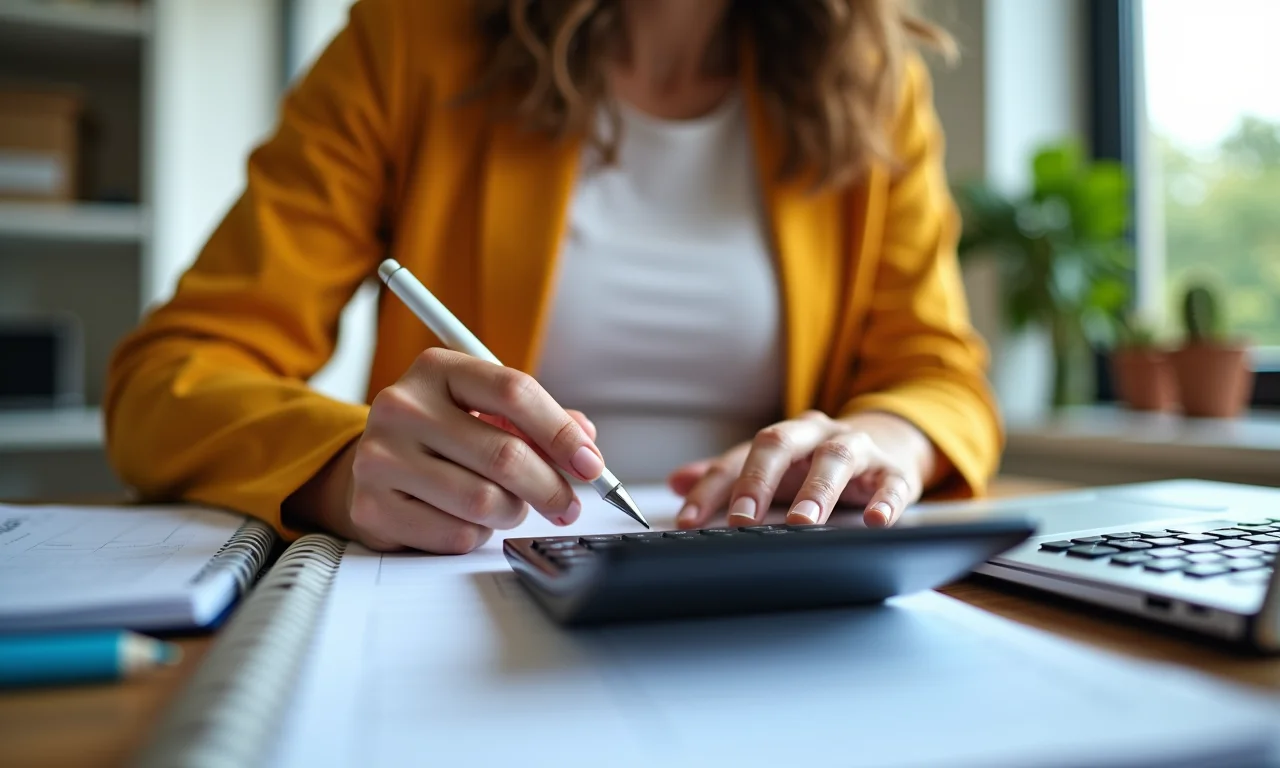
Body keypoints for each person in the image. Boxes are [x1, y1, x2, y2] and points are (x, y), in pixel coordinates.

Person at [104, 0, 1002, 555]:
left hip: (768, 589)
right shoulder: (411, 36)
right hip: (460, 585)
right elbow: (169, 380)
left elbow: (938, 379)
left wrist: (884, 440)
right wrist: (342, 467)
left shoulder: (875, 90)